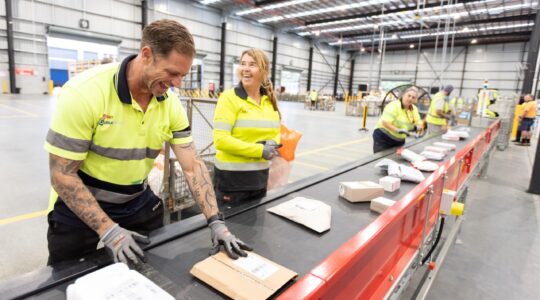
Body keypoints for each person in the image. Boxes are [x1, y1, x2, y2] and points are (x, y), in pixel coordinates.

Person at [44, 19, 251, 266]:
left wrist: (216, 221)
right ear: (146, 55)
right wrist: (109, 230)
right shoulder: (85, 93)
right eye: (172, 73)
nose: (177, 84)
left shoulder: (169, 103)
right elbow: (62, 175)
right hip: (81, 200)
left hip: (134, 198)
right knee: (67, 277)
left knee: (151, 268)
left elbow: (193, 166)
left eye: (182, 75)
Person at [212, 48, 281, 208]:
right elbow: (221, 140)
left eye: (252, 64)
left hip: (259, 180)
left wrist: (273, 143)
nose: (246, 69)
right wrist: (260, 151)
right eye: (243, 64)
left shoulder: (269, 101)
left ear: (264, 71)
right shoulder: (229, 98)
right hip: (232, 183)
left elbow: (276, 132)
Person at [372, 87, 423, 153]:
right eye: (409, 95)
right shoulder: (393, 106)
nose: (410, 98)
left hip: (399, 139)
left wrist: (418, 127)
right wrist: (398, 130)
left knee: (396, 159)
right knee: (381, 159)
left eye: (413, 97)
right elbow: (385, 122)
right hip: (384, 137)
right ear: (403, 95)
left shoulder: (414, 109)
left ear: (415, 100)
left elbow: (418, 122)